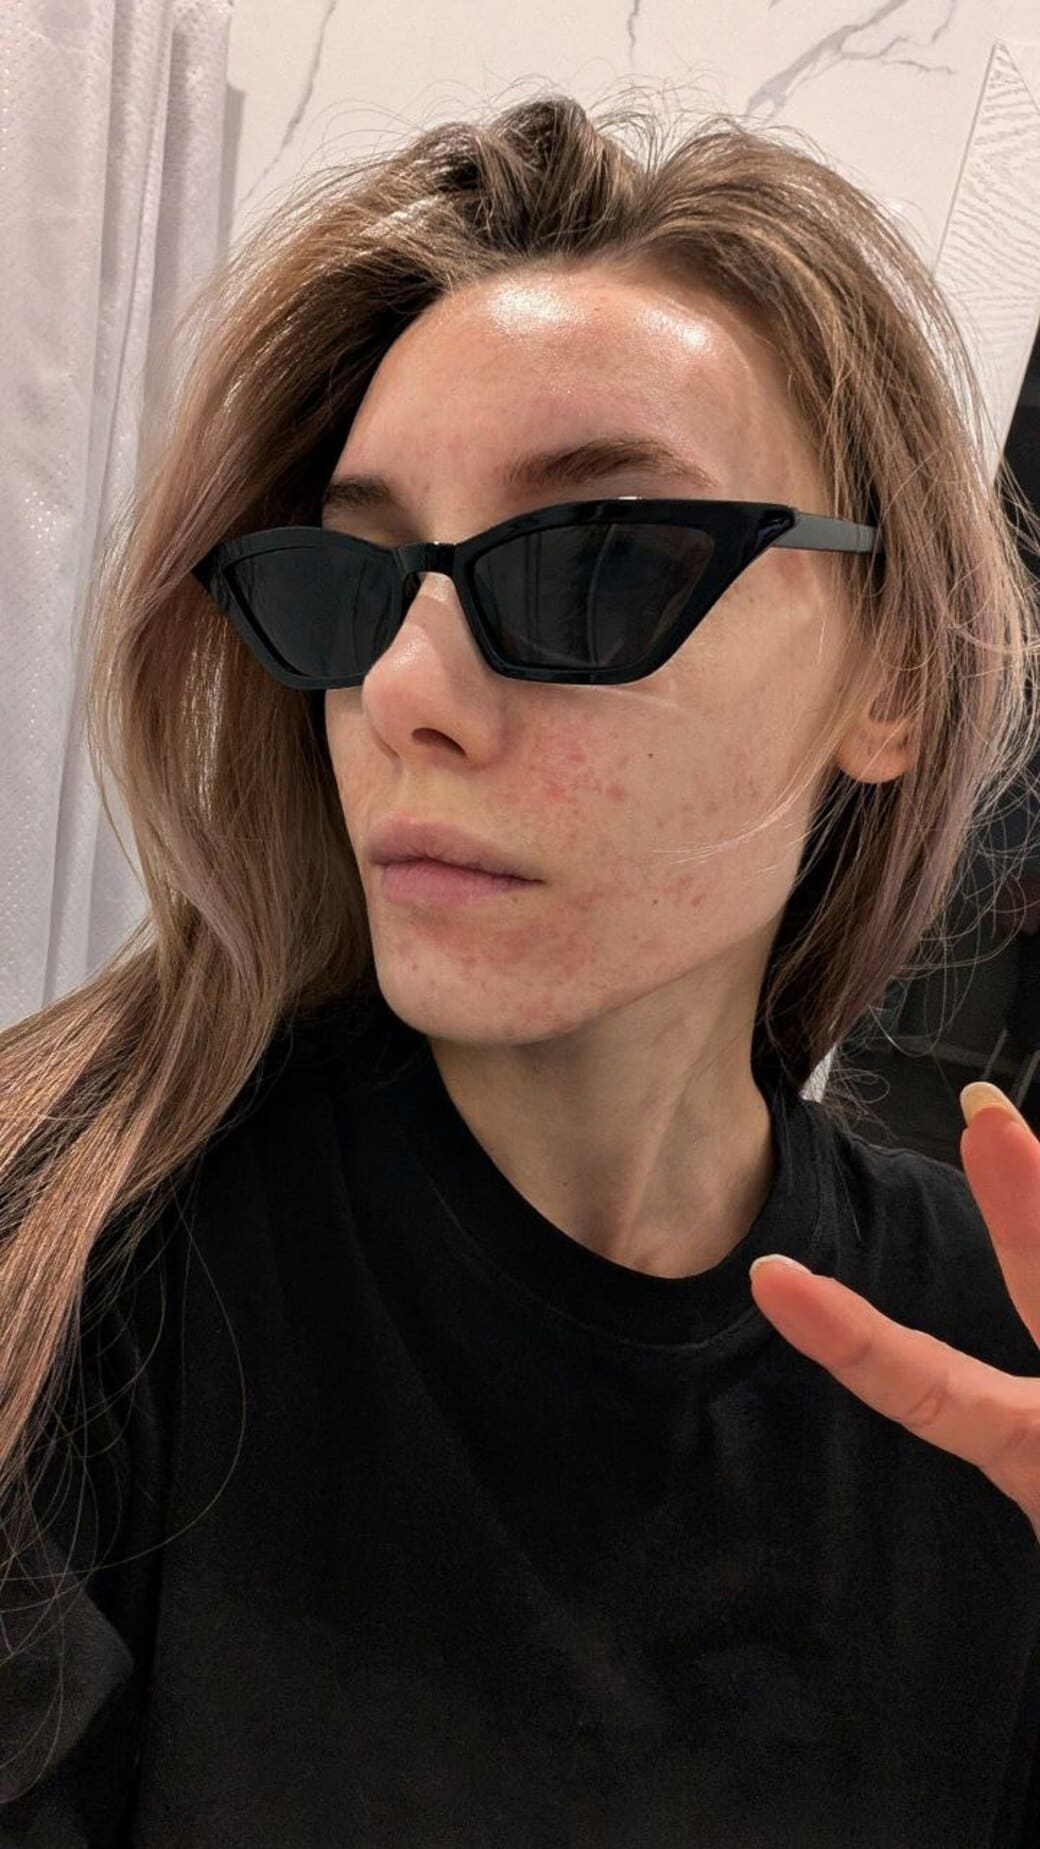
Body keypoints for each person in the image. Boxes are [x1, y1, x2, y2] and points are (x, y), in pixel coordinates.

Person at [1, 87, 1039, 1847]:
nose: (401, 690)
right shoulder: (81, 1276)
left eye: (598, 563)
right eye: (353, 585)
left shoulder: (994, 1347)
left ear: (894, 681)